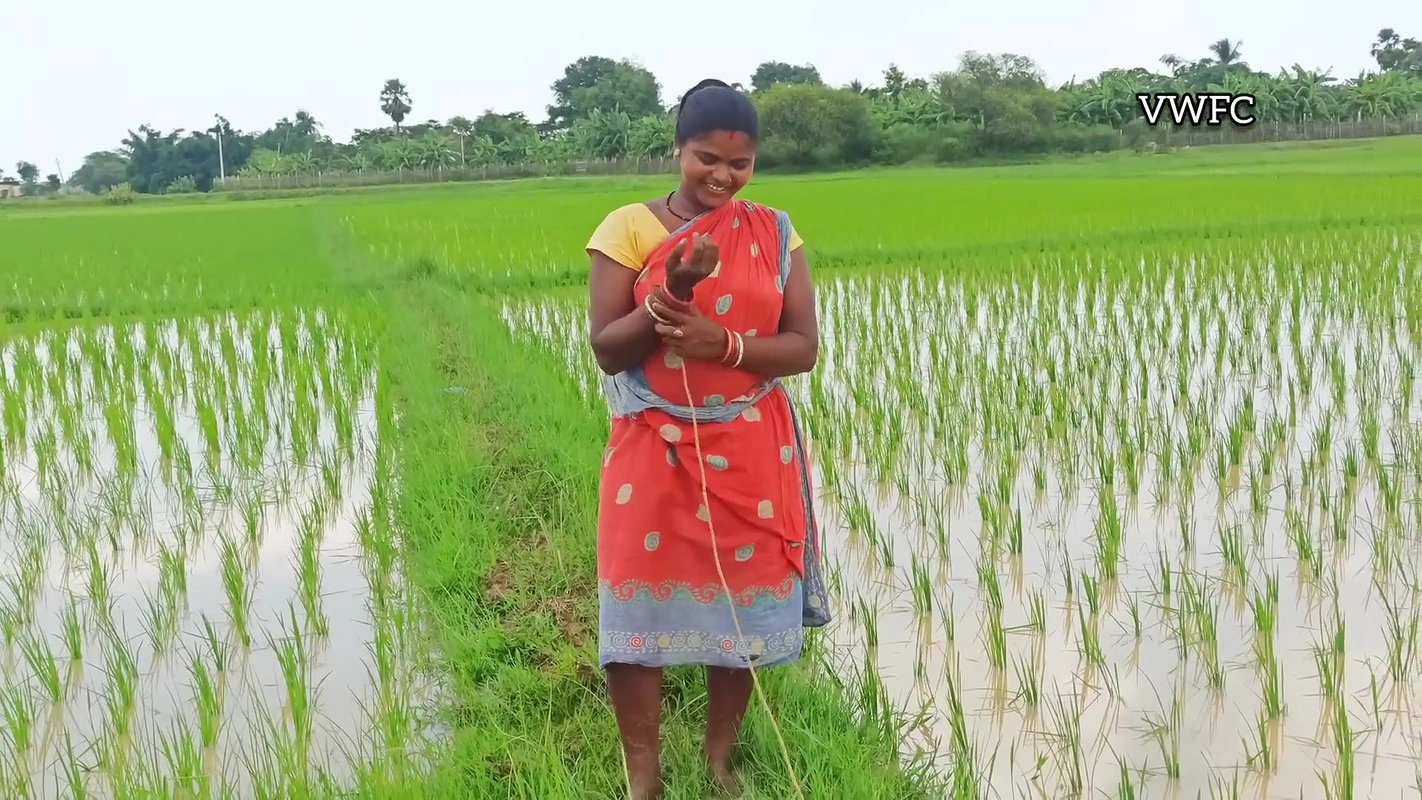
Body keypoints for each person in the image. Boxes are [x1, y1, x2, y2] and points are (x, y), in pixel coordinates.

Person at [585, 78, 831, 799]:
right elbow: (608, 350)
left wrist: (722, 344)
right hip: (652, 444)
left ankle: (719, 761)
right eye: (707, 159)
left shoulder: (775, 232)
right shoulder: (629, 228)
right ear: (678, 149)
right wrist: (674, 292)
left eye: (740, 163)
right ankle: (645, 780)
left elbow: (802, 347)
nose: (723, 177)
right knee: (636, 606)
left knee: (741, 610)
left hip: (751, 446)